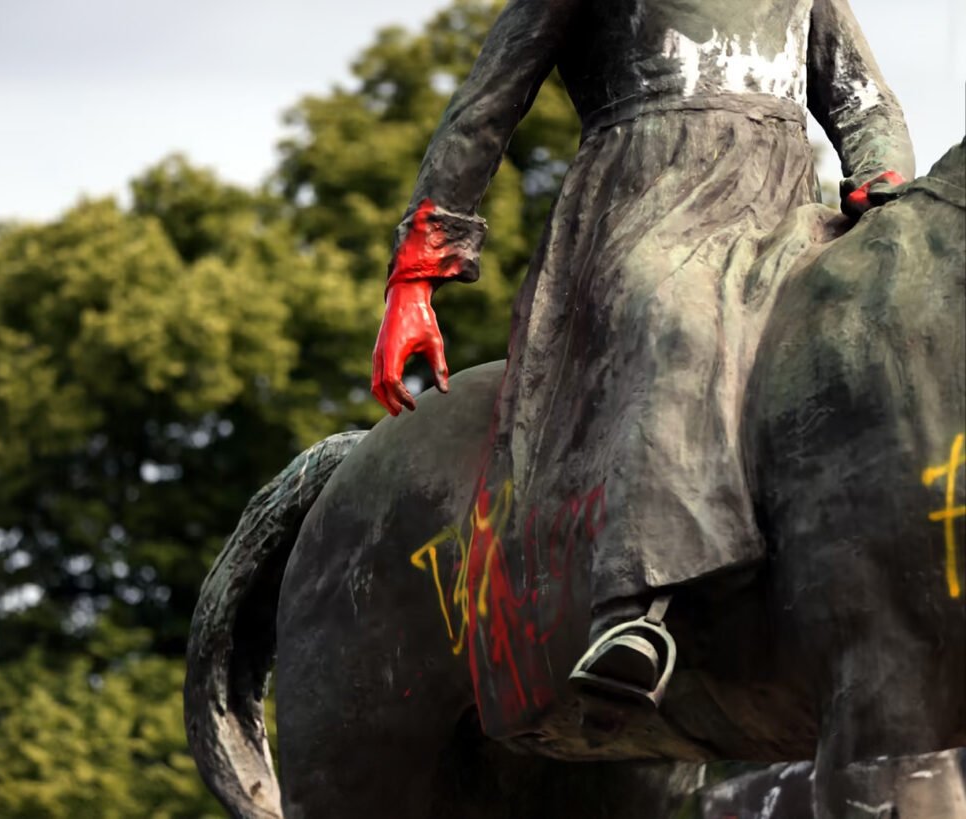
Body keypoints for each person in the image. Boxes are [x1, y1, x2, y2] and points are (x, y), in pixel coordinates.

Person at [371, 0, 913, 714]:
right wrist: (416, 276)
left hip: (783, 215)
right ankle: (633, 605)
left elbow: (863, 100)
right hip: (647, 203)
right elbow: (485, 104)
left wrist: (886, 185)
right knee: (678, 315)